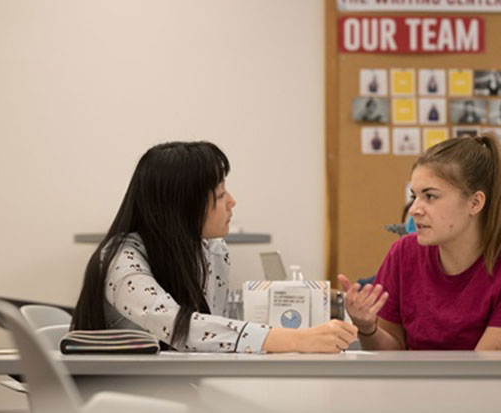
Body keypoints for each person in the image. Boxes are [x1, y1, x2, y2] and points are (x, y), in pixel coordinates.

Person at [72, 141, 357, 353]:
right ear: (183, 208)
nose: (232, 201)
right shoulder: (120, 259)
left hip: (176, 387)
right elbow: (182, 328)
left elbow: (213, 329)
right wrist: (298, 339)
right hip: (120, 396)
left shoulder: (211, 250)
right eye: (220, 195)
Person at [338, 135, 501, 350]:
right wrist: (367, 328)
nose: (414, 210)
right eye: (414, 196)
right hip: (414, 384)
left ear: (475, 203)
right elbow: (392, 354)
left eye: (430, 196)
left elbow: (484, 372)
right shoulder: (403, 253)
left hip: (481, 384)